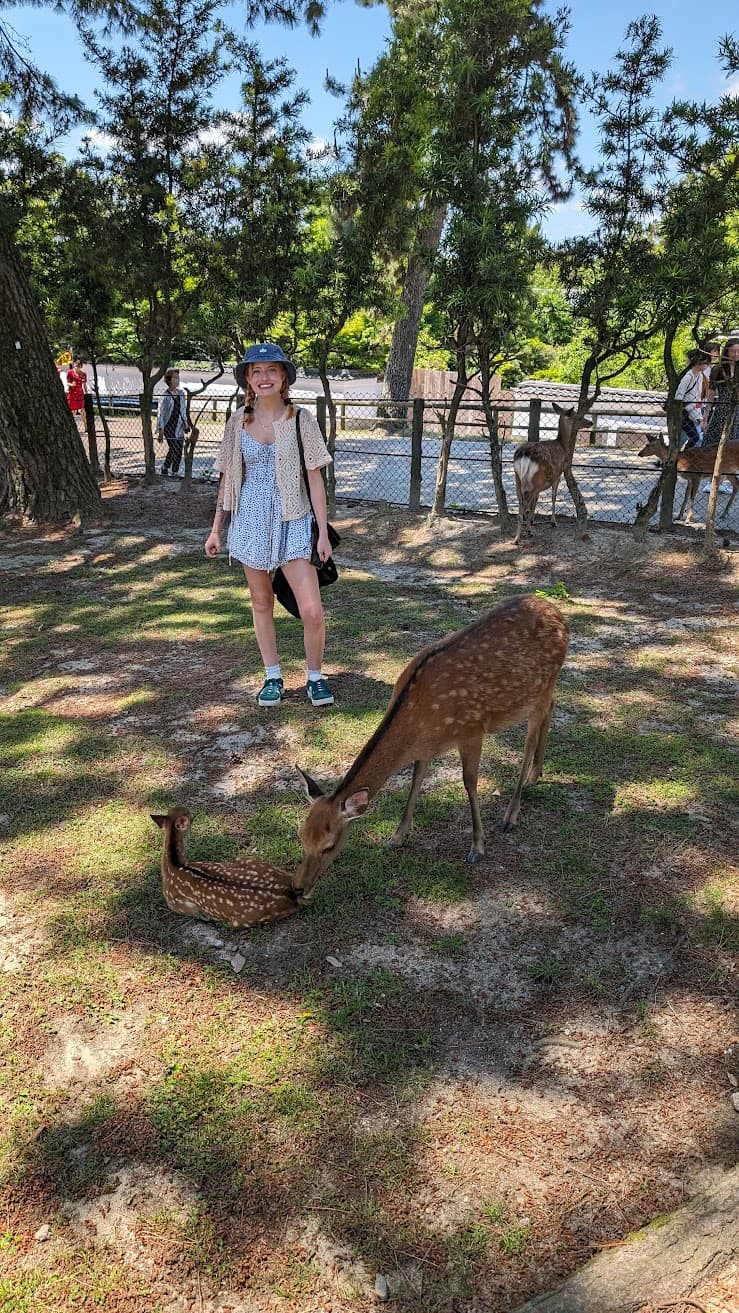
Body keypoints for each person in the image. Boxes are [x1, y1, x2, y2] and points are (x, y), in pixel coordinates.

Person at [204, 343, 336, 709]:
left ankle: (314, 676)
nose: (264, 378)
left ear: (284, 378)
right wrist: (217, 528)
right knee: (262, 602)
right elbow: (229, 477)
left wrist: (322, 532)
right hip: (249, 521)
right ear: (248, 378)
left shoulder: (301, 419)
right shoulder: (236, 422)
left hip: (293, 519)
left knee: (311, 609)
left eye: (271, 371)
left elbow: (315, 480)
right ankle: (272, 676)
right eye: (256, 371)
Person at [702, 337, 739, 446]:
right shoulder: (717, 369)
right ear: (727, 351)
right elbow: (711, 393)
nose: (736, 354)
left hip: (737, 411)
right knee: (713, 443)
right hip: (721, 410)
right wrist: (706, 416)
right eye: (733, 351)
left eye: (738, 351)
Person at [156, 368, 191, 476]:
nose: (177, 380)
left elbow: (183, 409)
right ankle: (165, 467)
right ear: (169, 380)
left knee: (179, 448)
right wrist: (161, 430)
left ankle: (175, 471)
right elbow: (160, 413)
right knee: (173, 447)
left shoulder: (181, 394)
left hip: (179, 425)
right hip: (169, 425)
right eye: (174, 378)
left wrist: (185, 422)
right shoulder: (165, 395)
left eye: (178, 378)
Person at [674, 349, 709, 448]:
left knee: (693, 437)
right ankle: (684, 457)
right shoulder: (688, 377)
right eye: (704, 363)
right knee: (694, 437)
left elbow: (697, 397)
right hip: (684, 411)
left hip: (692, 410)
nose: (706, 366)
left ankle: (684, 457)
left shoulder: (699, 376)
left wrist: (698, 416)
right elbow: (679, 396)